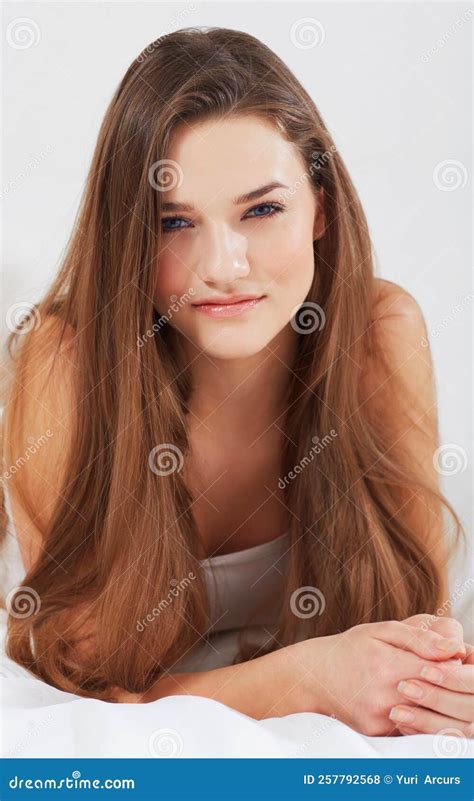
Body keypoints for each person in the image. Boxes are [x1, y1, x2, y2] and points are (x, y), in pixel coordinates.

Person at [1, 27, 472, 738]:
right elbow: (86, 690)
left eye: (261, 210)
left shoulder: (381, 330)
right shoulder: (64, 363)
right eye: (174, 222)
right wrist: (307, 677)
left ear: (319, 202)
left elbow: (413, 631)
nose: (222, 266)